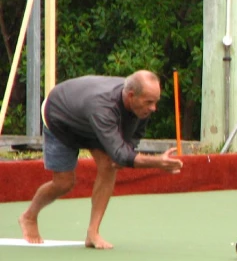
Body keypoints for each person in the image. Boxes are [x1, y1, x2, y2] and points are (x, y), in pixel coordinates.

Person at [18, 70, 183, 249]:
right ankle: (29, 216)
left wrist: (126, 153)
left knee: (109, 165)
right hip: (60, 118)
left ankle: (92, 233)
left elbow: (131, 140)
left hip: (91, 122)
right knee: (64, 183)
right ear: (130, 96)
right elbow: (120, 154)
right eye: (149, 102)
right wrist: (158, 162)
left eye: (155, 102)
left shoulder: (141, 105)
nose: (153, 108)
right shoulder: (103, 106)